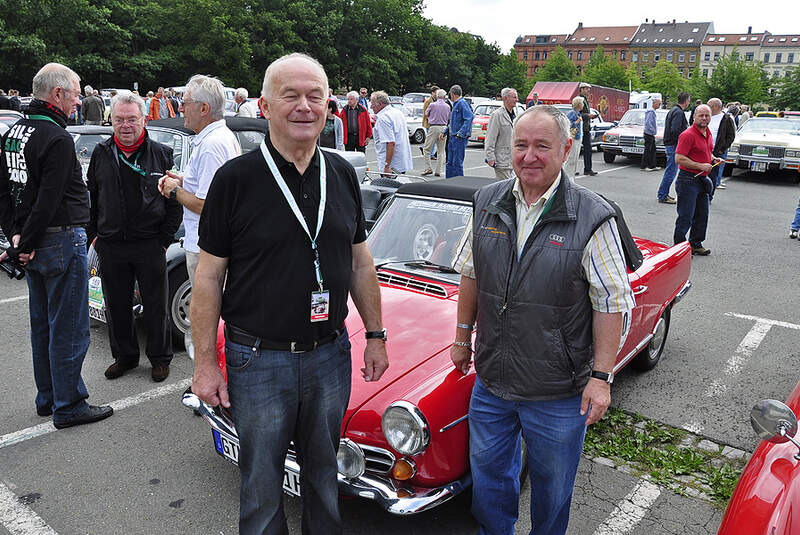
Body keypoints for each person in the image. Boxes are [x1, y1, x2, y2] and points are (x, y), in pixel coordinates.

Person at [190, 52, 389, 534]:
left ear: (329, 106)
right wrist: (204, 363)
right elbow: (208, 277)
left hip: (329, 354)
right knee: (261, 484)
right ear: (265, 105)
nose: (305, 106)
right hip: (258, 360)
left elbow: (361, 261)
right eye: (291, 95)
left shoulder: (341, 173)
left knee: (325, 476)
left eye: (315, 96)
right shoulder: (235, 180)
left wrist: (377, 335)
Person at [451, 104, 634, 535]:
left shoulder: (592, 215)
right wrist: (462, 338)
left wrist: (601, 378)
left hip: (558, 392)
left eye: (541, 146)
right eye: (521, 145)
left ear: (567, 148)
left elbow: (611, 301)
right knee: (490, 480)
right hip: (493, 381)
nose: (529, 156)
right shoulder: (487, 201)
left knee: (552, 490)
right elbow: (471, 273)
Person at [0, 63, 114, 428]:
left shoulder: (15, 131)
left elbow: (7, 193)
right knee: (67, 327)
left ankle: (48, 397)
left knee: (43, 325)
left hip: (32, 239)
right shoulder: (56, 137)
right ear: (57, 94)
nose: (79, 100)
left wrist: (17, 237)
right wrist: (25, 241)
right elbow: (48, 200)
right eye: (76, 93)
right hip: (59, 238)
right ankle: (69, 404)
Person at [86, 90, 182, 383]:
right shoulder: (102, 153)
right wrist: (95, 237)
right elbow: (92, 197)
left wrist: (164, 239)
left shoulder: (162, 154)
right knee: (116, 305)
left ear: (144, 120)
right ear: (111, 121)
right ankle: (125, 357)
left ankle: (159, 359)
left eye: (131, 119)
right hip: (111, 244)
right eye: (119, 120)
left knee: (155, 306)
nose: (125, 126)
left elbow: (174, 202)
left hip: (150, 243)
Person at [157, 75, 239, 284]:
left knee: (205, 312)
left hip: (205, 248)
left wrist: (175, 190)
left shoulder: (211, 145)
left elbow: (207, 205)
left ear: (203, 109)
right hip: (210, 245)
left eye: (185, 103)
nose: (181, 109)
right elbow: (214, 188)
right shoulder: (218, 137)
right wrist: (184, 180)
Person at [673, 104, 720, 256]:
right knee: (686, 216)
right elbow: (679, 159)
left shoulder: (708, 133)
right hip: (688, 179)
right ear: (694, 116)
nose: (705, 118)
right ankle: (679, 249)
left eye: (707, 115)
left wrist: (713, 159)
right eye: (701, 115)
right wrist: (700, 165)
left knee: (702, 214)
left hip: (702, 179)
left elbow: (706, 152)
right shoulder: (687, 135)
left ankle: (695, 243)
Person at [657, 92, 690, 204]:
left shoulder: (674, 110)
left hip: (671, 143)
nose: (689, 103)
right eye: (689, 100)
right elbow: (675, 130)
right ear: (686, 101)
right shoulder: (678, 112)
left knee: (670, 170)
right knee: (671, 171)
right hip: (673, 145)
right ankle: (662, 195)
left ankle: (663, 193)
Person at [371, 90, 413, 176]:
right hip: (400, 163)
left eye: (372, 104)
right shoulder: (397, 113)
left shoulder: (383, 118)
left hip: (391, 166)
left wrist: (387, 166)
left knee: (388, 188)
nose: (371, 107)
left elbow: (390, 143)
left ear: (379, 103)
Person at [484, 87, 518, 180]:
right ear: (506, 98)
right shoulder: (497, 115)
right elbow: (490, 137)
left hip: (512, 160)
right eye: (514, 97)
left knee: (511, 186)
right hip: (501, 160)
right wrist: (490, 157)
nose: (517, 100)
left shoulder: (515, 116)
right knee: (505, 187)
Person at [441, 84, 474, 178]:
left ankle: (459, 183)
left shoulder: (462, 103)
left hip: (458, 138)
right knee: (450, 162)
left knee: (457, 163)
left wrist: (461, 133)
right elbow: (453, 122)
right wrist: (444, 132)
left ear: (452, 93)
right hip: (452, 136)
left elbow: (469, 117)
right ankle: (448, 182)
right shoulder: (455, 104)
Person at [422, 88, 448, 177]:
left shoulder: (432, 105)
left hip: (433, 127)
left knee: (427, 149)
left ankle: (428, 168)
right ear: (444, 97)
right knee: (441, 151)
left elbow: (426, 114)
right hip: (443, 128)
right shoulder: (447, 106)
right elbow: (448, 117)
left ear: (437, 96)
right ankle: (438, 170)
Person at [711, 102, 737, 190]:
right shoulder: (707, 117)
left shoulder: (726, 118)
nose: (708, 107)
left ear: (716, 107)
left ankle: (715, 185)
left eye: (709, 105)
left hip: (718, 150)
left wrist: (723, 148)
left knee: (715, 172)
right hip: (706, 149)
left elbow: (731, 135)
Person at [579, 83, 597, 176]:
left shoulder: (585, 100)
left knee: (588, 150)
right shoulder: (579, 100)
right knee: (575, 150)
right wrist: (588, 116)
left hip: (586, 128)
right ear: (581, 89)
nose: (588, 90)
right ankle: (571, 169)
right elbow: (577, 114)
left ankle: (588, 169)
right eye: (586, 89)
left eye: (589, 89)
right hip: (580, 129)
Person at [565, 96, 584, 176]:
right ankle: (567, 176)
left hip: (578, 137)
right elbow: (567, 125)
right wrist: (577, 122)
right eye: (582, 103)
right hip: (573, 138)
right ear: (579, 104)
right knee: (571, 158)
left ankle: (571, 175)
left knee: (575, 158)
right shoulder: (572, 113)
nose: (583, 105)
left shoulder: (578, 113)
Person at [640, 98, 660, 171]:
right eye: (658, 103)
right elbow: (648, 123)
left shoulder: (652, 111)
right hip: (649, 133)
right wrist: (653, 130)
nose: (659, 105)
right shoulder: (651, 111)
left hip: (651, 134)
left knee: (653, 150)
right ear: (654, 103)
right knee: (648, 150)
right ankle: (644, 166)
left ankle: (652, 165)